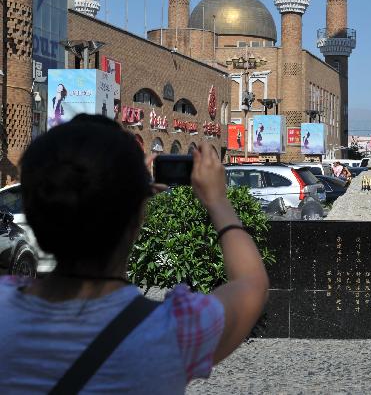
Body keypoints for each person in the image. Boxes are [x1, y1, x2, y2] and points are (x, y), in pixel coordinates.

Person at [0, 114, 269, 392]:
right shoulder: (171, 332)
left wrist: (129, 194)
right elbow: (252, 284)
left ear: (32, 213)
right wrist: (217, 201)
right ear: (139, 217)